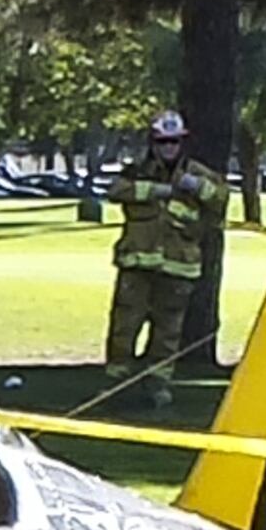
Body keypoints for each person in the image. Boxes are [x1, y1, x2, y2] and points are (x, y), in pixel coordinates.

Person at [103, 110, 222, 395]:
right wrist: (156, 191)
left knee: (168, 333)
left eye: (174, 142)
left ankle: (158, 385)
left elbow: (221, 198)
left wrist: (198, 187)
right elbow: (116, 190)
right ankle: (117, 385)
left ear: (182, 143)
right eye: (162, 142)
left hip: (178, 268)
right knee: (124, 326)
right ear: (153, 143)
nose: (169, 147)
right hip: (137, 265)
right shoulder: (137, 172)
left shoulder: (198, 174)